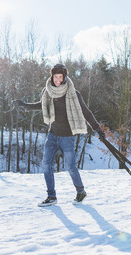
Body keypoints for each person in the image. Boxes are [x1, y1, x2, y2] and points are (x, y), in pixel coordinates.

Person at [13, 64, 105, 206]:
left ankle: (81, 191)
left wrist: (98, 129)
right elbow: (41, 105)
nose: (57, 80)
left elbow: (86, 112)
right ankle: (51, 196)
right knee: (46, 164)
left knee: (70, 167)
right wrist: (25, 105)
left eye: (60, 77)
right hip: (53, 134)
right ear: (52, 77)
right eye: (55, 77)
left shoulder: (73, 93)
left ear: (64, 77)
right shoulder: (47, 91)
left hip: (67, 136)